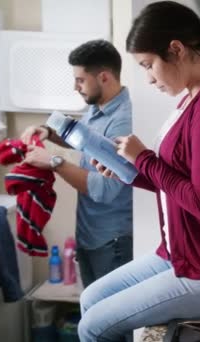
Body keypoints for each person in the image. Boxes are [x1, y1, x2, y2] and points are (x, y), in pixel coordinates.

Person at [77, 1, 200, 341]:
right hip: (181, 254)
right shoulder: (193, 97)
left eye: (148, 65)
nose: (147, 78)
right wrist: (127, 171)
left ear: (175, 49)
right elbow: (178, 185)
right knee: (88, 300)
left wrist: (143, 158)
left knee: (92, 327)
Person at [21, 39, 133, 287]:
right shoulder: (97, 107)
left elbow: (105, 188)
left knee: (111, 323)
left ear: (103, 77)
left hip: (112, 242)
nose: (75, 87)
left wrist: (53, 162)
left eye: (80, 80)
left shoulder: (124, 121)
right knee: (93, 314)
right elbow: (81, 140)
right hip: (89, 234)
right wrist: (47, 132)